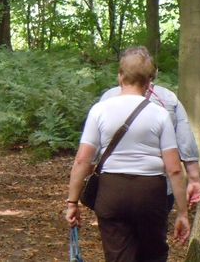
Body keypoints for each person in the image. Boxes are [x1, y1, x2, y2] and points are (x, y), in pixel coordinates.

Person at [66, 47, 190, 261]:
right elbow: (175, 169)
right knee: (153, 255)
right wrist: (182, 213)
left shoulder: (100, 110)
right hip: (151, 192)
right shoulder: (160, 114)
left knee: (118, 255)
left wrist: (72, 203)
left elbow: (82, 160)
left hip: (111, 191)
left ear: (120, 77)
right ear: (150, 81)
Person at [100, 47, 200, 211]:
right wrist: (194, 179)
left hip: (112, 185)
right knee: (153, 235)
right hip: (158, 186)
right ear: (152, 73)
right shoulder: (167, 99)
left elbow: (92, 150)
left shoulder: (107, 98)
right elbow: (185, 143)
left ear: (121, 73)